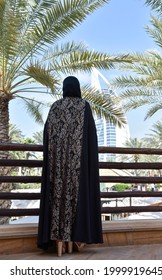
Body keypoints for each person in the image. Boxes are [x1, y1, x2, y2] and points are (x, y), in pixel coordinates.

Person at [37, 76, 103, 256]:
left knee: (58, 199)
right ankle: (76, 238)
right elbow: (91, 139)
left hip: (57, 168)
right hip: (78, 168)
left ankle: (59, 242)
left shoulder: (55, 107)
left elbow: (47, 136)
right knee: (76, 200)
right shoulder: (84, 106)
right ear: (78, 88)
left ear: (64, 88)